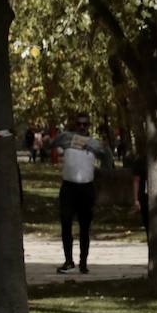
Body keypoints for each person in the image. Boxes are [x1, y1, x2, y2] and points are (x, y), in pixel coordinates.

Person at [49, 112, 114, 273]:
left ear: (89, 126)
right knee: (66, 224)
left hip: (86, 188)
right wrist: (54, 140)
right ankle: (68, 261)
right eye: (79, 124)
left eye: (85, 124)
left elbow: (107, 159)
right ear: (75, 124)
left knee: (85, 227)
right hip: (68, 188)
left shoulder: (94, 143)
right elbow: (50, 144)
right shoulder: (66, 138)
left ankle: (83, 262)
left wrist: (100, 173)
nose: (82, 127)